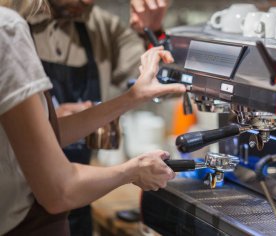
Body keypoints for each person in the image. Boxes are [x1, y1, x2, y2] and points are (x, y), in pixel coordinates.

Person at [0, 0, 186, 235]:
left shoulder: (100, 26)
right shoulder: (9, 28)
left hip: (79, 191)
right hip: (32, 211)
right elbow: (60, 191)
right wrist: (134, 170)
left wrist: (133, 96)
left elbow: (169, 81)